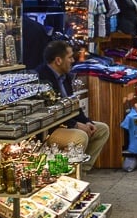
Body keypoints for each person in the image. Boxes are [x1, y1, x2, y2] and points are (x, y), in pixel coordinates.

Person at [36, 40, 110, 172]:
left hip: (67, 123)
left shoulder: (65, 77)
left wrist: (86, 121)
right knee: (80, 136)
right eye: (69, 57)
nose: (72, 61)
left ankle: (82, 171)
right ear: (58, 60)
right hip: (50, 129)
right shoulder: (42, 79)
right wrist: (75, 125)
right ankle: (68, 175)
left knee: (102, 129)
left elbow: (73, 104)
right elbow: (51, 113)